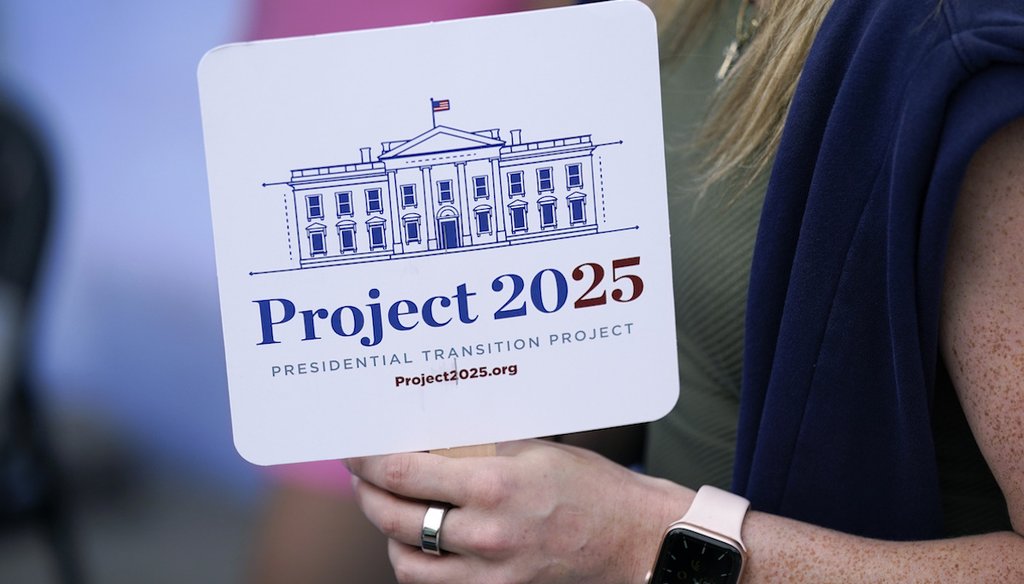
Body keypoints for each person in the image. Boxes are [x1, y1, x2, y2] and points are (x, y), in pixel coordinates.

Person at [346, 0, 1024, 582]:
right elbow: (678, 363)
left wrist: (644, 543)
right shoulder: (670, 16)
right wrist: (505, 424)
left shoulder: (963, 50)